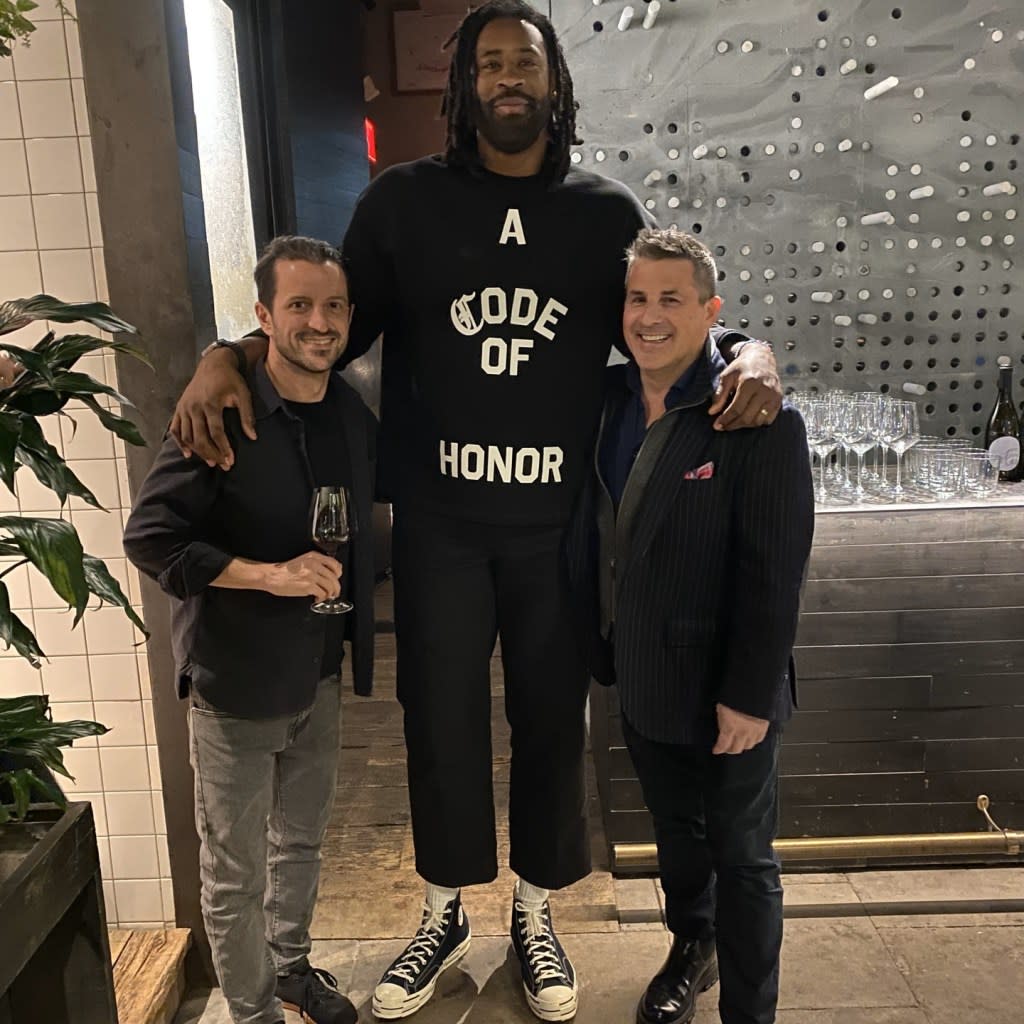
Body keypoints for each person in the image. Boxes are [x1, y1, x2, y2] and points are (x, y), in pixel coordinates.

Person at [167, 3, 784, 1020]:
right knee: (439, 721)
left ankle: (535, 912)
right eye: (488, 62)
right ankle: (445, 905)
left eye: (523, 63)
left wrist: (750, 352)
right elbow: (319, 327)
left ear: (554, 84)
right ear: (463, 87)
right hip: (442, 523)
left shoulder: (604, 210)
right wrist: (224, 351)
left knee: (549, 721)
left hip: (556, 524)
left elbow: (667, 327)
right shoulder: (402, 202)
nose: (506, 78)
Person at [123, 236, 377, 1024]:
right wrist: (269, 575)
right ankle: (253, 1009)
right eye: (298, 305)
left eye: (332, 306)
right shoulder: (220, 408)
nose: (319, 322)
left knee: (299, 845)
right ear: (263, 316)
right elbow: (150, 537)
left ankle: (293, 971)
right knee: (234, 873)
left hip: (316, 671)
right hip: (234, 681)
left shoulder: (348, 411)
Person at [565, 227, 814, 1024]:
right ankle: (689, 952)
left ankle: (751, 1009)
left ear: (710, 310)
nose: (649, 316)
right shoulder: (601, 400)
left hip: (726, 689)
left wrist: (747, 695)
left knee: (743, 858)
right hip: (638, 675)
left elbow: (774, 573)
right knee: (678, 840)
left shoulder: (756, 416)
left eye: (671, 299)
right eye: (638, 298)